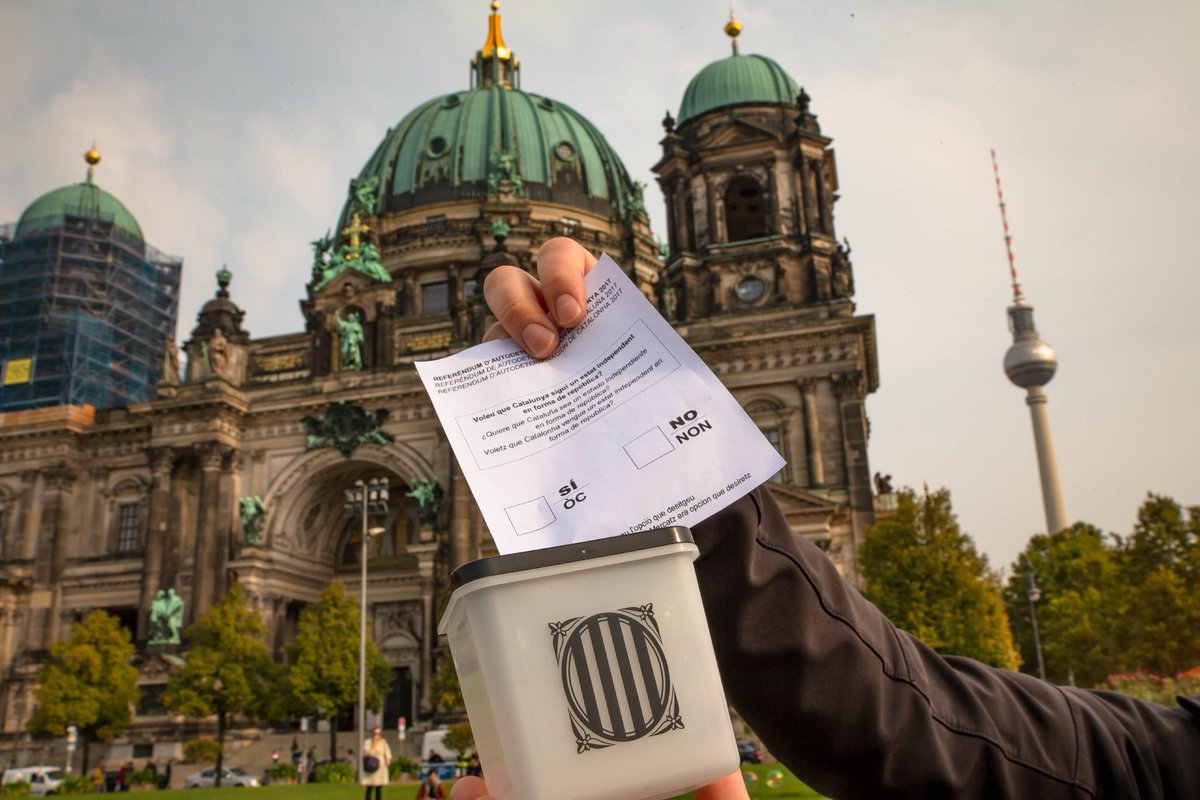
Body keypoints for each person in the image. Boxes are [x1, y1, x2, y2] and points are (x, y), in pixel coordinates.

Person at [457, 236, 1200, 799]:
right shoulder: (1160, 760)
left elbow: (920, 728)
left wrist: (653, 452)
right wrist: (632, 415)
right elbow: (915, 725)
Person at [360, 726, 392, 800]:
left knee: (378, 788)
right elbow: (365, 752)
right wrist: (373, 745)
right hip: (370, 766)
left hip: (380, 766)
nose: (377, 735)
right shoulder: (367, 742)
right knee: (369, 787)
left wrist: (388, 759)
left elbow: (387, 752)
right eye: (375, 733)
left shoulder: (383, 742)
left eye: (378, 733)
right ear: (372, 733)